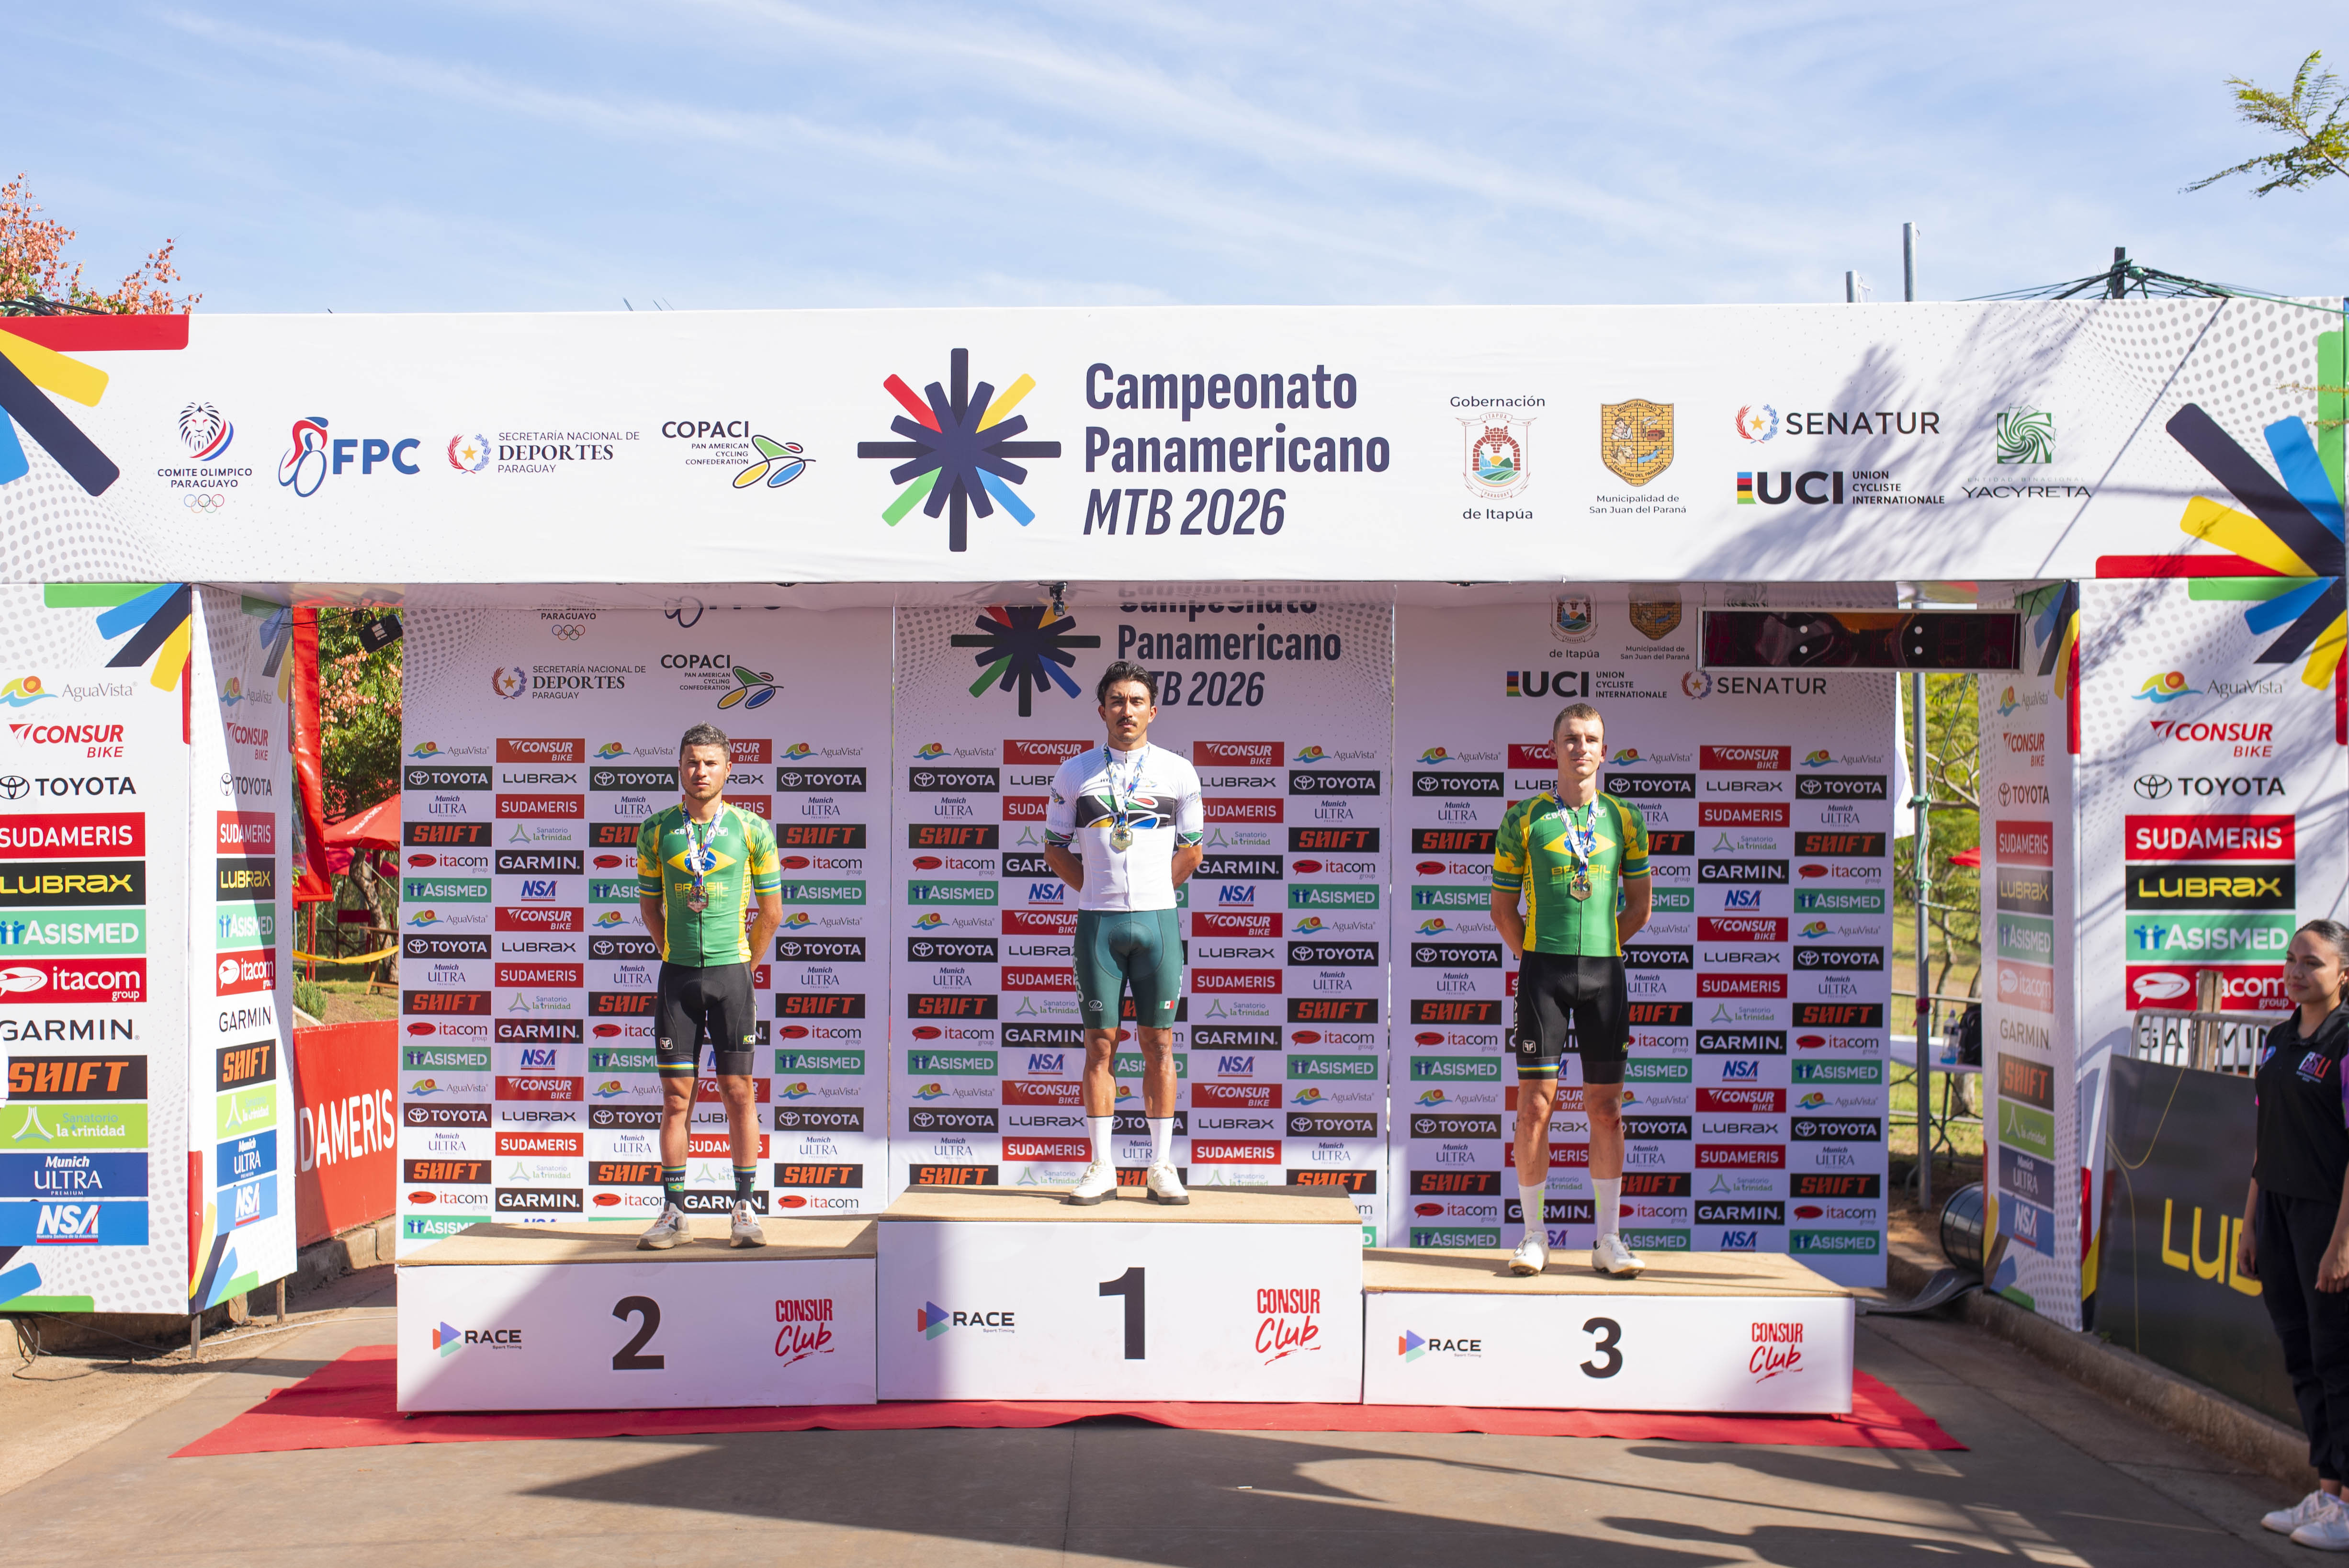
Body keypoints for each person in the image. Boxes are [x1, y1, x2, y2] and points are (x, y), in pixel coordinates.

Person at [1491, 701, 1651, 1278]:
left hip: (1605, 975)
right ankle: (1534, 1236)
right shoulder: (1523, 818)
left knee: (1605, 1109)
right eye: (1570, 738)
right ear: (1553, 748)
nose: (1580, 748)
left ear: (1604, 751)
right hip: (1544, 975)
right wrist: (1539, 957)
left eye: (1590, 739)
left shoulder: (1626, 819)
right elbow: (1502, 909)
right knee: (1534, 1106)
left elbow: (1639, 908)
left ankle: (1608, 1239)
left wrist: (1600, 948)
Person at [1042, 661, 1204, 1205]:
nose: (1126, 710)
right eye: (1116, 700)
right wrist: (1097, 892)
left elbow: (1192, 852)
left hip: (1158, 922)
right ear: (1102, 710)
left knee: (1160, 1043)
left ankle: (1161, 1165)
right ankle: (1102, 1166)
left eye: (1136, 701)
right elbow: (1054, 849)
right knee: (1099, 1045)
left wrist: (1153, 893)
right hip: (1098, 924)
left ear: (1152, 711)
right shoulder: (1074, 772)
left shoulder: (1179, 771)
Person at [634, 722, 783, 1250]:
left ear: (728, 768)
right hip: (677, 977)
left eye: (711, 762)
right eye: (692, 761)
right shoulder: (655, 830)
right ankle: (675, 1211)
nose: (701, 771)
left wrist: (743, 965)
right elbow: (650, 907)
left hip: (731, 975)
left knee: (739, 1091)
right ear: (680, 766)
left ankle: (744, 1206)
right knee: (676, 1097)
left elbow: (771, 912)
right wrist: (674, 954)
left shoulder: (752, 828)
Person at [2245, 919, 2349, 1548]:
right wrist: (2250, 1219)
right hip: (2278, 1212)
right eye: (2291, 958)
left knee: (2338, 1355)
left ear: (2343, 974)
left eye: (2312, 962)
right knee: (2302, 1351)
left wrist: (2341, 1241)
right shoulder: (2277, 1038)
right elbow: (2264, 1139)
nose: (2296, 970)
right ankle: (2327, 1490)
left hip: (2328, 1215)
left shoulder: (2345, 1040)